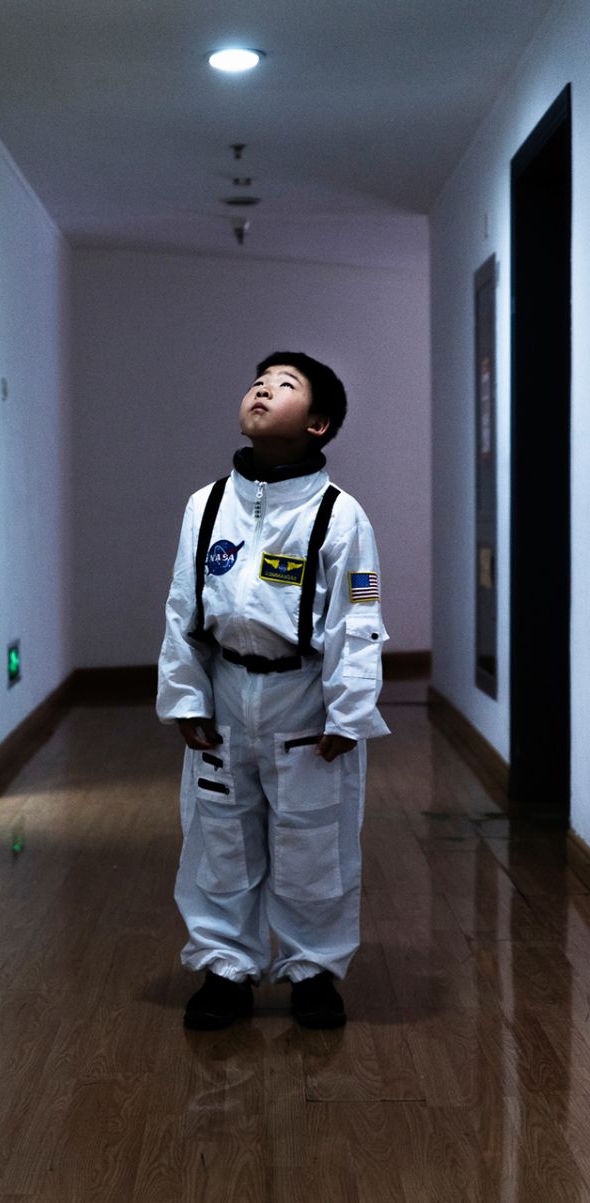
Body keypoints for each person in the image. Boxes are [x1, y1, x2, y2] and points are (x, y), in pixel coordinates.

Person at [156, 351, 389, 1030]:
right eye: (259, 379)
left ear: (319, 424)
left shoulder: (340, 517)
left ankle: (314, 971)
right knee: (219, 837)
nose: (262, 387)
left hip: (303, 698)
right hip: (227, 692)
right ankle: (225, 967)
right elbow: (182, 610)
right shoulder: (207, 507)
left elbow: (360, 618)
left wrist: (349, 710)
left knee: (314, 842)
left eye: (286, 385)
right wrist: (186, 698)